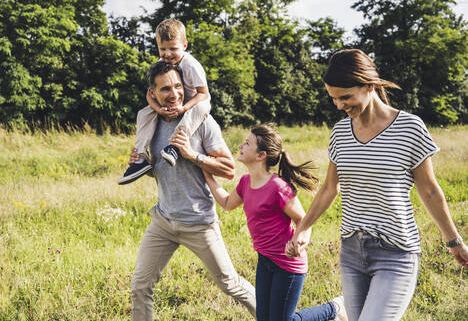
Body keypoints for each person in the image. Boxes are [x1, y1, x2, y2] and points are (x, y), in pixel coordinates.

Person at [287, 49, 468, 321]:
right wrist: (303, 227)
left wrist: (454, 241)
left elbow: (429, 190)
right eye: (334, 98)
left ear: (369, 86)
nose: (339, 105)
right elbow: (329, 188)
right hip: (352, 250)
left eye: (345, 97)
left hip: (396, 252)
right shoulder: (340, 132)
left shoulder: (409, 127)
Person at [129, 60, 256, 321]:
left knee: (230, 284)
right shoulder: (149, 123)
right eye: (165, 89)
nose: (174, 94)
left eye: (178, 86)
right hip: (163, 221)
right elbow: (160, 171)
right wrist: (141, 164)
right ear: (152, 94)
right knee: (140, 286)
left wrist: (192, 154)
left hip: (199, 222)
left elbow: (228, 169)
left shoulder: (202, 121)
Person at [203, 124, 347, 321]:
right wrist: (206, 174)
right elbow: (227, 203)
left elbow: (302, 220)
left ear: (261, 155)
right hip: (265, 259)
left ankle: (334, 309)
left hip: (288, 264)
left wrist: (300, 239)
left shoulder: (277, 187)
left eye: (247, 143)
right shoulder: (245, 182)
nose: (240, 145)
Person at [118, 18, 211, 185]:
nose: (167, 54)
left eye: (173, 48)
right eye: (163, 49)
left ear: (184, 45)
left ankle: (175, 146)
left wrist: (184, 108)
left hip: (194, 102)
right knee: (143, 113)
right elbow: (150, 94)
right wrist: (158, 109)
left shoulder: (192, 65)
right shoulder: (161, 65)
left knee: (201, 107)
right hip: (171, 103)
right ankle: (140, 157)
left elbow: (203, 94)